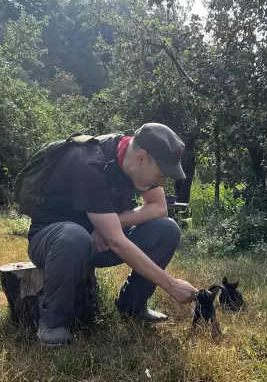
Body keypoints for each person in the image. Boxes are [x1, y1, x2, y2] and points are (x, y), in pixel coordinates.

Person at [27, 123, 199, 346]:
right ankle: (53, 322)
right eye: (161, 175)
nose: (162, 182)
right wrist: (172, 286)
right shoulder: (88, 162)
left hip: (101, 242)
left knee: (167, 229)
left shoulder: (135, 158)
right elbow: (117, 242)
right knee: (74, 236)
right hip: (54, 243)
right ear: (141, 158)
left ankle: (132, 305)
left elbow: (158, 208)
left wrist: (109, 224)